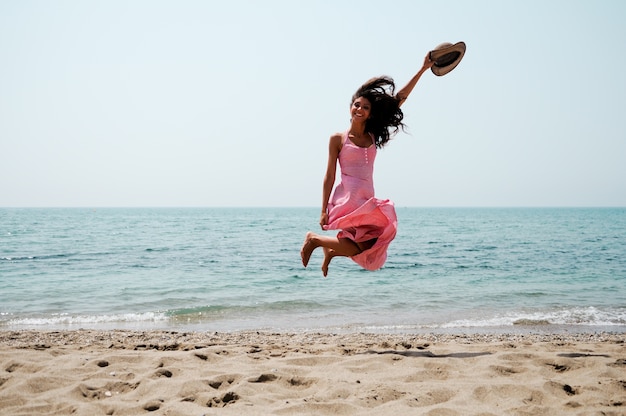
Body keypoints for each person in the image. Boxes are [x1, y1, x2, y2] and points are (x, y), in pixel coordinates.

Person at [300, 53, 435, 277]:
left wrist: (422, 70)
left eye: (365, 107)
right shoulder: (338, 139)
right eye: (356, 105)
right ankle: (314, 240)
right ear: (350, 107)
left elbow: (399, 98)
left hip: (366, 198)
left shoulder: (372, 135)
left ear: (370, 113)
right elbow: (329, 176)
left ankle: (329, 250)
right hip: (350, 198)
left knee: (367, 244)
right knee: (369, 241)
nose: (359, 109)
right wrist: (323, 210)